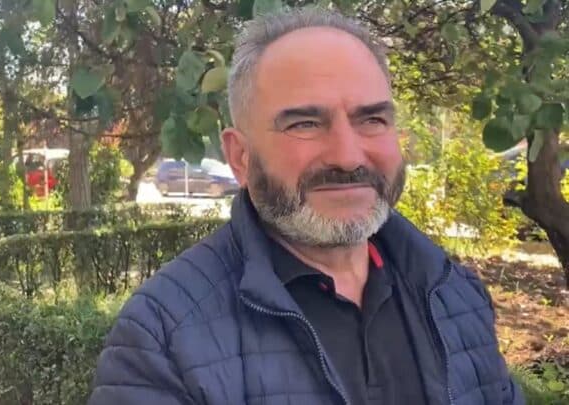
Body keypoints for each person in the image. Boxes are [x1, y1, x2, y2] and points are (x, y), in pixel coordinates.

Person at [88, 7, 524, 405]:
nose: (347, 157)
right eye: (305, 124)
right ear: (240, 157)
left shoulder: (455, 294)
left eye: (372, 119)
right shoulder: (163, 336)